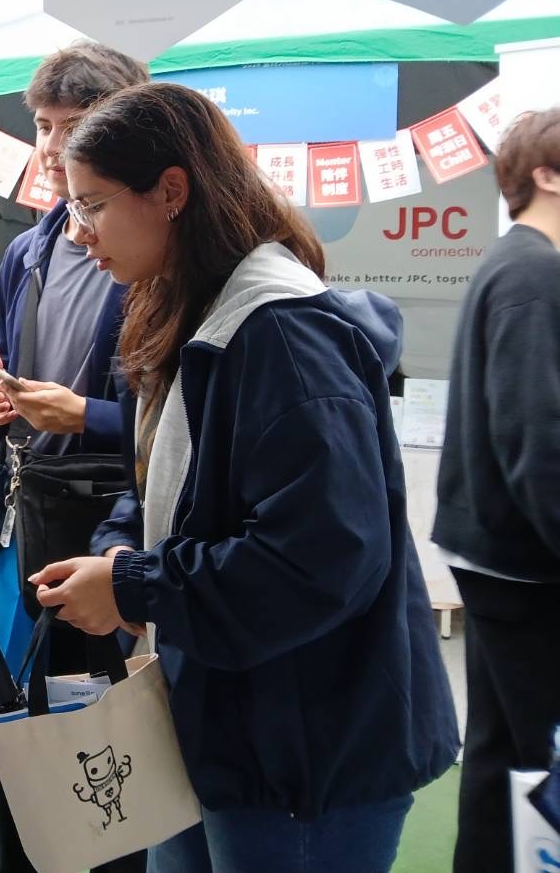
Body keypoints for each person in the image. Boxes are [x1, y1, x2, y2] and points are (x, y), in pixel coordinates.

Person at [30, 82, 458, 872]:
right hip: (217, 722)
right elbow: (160, 487)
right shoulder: (194, 314)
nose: (76, 233)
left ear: (170, 192)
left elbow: (321, 558)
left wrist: (135, 587)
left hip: (303, 751)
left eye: (90, 205)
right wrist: (120, 552)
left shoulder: (281, 336)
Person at [0, 41, 146, 873]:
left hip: (126, 525)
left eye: (74, 126)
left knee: (117, 742)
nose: (51, 147)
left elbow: (182, 422)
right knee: (29, 716)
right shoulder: (27, 251)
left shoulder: (157, 261)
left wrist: (86, 416)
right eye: (42, 126)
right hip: (33, 517)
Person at [433, 108, 560, 872]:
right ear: (545, 175)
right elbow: (536, 442)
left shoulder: (518, 264)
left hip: (498, 557)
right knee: (535, 761)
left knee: (502, 756)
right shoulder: (533, 274)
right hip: (525, 567)